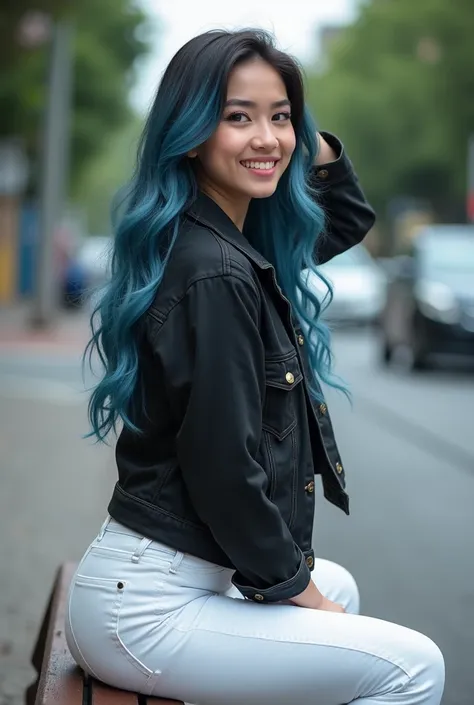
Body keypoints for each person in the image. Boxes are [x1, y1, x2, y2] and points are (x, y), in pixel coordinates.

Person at [65, 29, 445, 705]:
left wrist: (295, 122)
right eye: (237, 117)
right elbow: (223, 468)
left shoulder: (223, 240)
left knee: (342, 589)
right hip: (148, 608)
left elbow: (346, 216)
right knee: (413, 667)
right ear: (189, 133)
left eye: (280, 116)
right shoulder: (215, 271)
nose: (266, 138)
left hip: (165, 578)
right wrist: (303, 593)